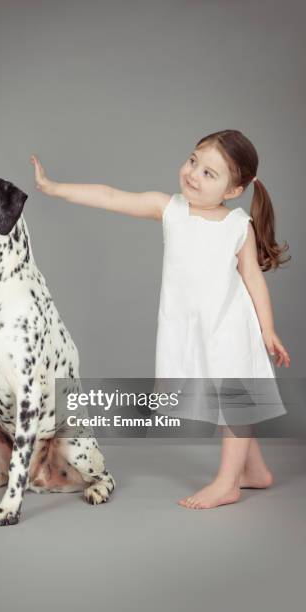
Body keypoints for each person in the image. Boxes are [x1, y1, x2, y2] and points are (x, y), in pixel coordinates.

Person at [30, 129, 291, 510]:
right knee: (222, 401)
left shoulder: (237, 225)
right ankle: (254, 472)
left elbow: (253, 278)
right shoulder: (170, 208)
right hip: (190, 329)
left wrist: (267, 330)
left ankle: (227, 482)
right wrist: (54, 188)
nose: (192, 174)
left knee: (235, 403)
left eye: (209, 174)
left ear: (233, 191)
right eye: (193, 161)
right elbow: (110, 196)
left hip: (229, 326)